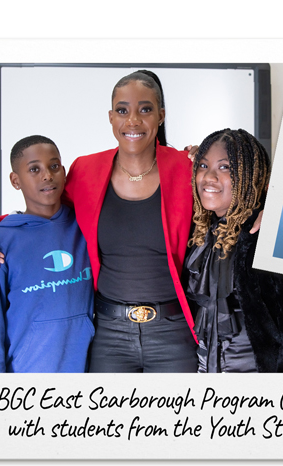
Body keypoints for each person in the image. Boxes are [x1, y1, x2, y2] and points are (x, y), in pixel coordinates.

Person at [62, 70, 198, 373]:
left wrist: (265, 211)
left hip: (173, 332)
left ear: (161, 116)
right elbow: (49, 213)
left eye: (145, 109)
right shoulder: (85, 170)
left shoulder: (185, 168)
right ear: (111, 117)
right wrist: (0, 233)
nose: (133, 120)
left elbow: (233, 195)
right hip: (109, 333)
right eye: (122, 110)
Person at [184, 129, 283, 373]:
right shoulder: (199, 233)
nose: (209, 176)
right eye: (203, 166)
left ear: (250, 175)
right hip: (204, 367)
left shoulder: (269, 232)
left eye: (225, 167)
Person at [0, 135, 94, 372]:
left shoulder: (87, 223)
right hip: (27, 374)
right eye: (34, 169)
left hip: (90, 370)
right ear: (15, 180)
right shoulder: (0, 241)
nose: (47, 175)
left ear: (63, 170)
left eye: (54, 166)